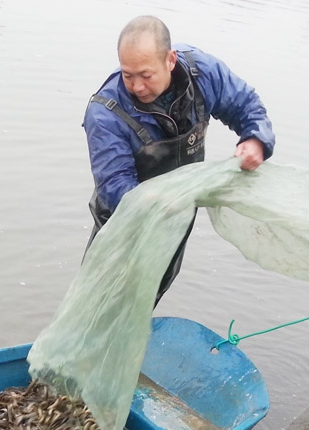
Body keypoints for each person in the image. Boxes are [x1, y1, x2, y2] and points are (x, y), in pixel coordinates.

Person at [83, 16, 275, 302]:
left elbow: (246, 106)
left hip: (177, 217)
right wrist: (160, 204)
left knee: (151, 293)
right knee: (100, 300)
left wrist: (255, 139)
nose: (136, 86)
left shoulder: (203, 73)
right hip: (123, 221)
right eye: (127, 74)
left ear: (170, 60)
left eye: (145, 75)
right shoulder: (104, 113)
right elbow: (115, 185)